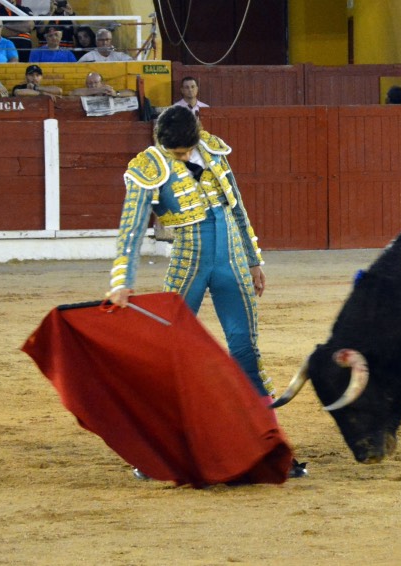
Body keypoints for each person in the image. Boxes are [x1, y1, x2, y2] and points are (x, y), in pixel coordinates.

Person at [108, 105, 275, 408]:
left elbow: (236, 207)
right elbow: (131, 228)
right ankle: (164, 415)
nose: (184, 158)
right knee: (169, 340)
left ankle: (263, 423)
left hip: (232, 258)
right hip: (189, 261)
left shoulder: (212, 150)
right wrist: (122, 282)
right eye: (177, 153)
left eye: (187, 151)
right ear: (160, 141)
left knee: (245, 344)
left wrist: (253, 260)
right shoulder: (149, 166)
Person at [69, 71, 134, 97]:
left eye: (96, 82)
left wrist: (116, 93)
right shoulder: (84, 92)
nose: (93, 85)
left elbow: (132, 93)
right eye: (89, 83)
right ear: (86, 84)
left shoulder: (108, 91)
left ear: (102, 83)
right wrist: (99, 90)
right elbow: (72, 93)